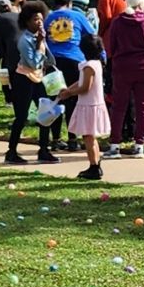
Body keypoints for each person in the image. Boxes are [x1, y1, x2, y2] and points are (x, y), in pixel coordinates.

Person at [105, 0, 144, 159]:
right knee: (143, 106)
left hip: (122, 67)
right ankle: (139, 145)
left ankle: (115, 145)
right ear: (141, 3)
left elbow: (111, 46)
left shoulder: (118, 22)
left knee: (119, 106)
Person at [5, 0, 57, 166]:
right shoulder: (24, 40)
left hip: (39, 78)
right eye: (35, 19)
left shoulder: (39, 36)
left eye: (41, 19)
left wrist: (43, 42)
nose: (39, 22)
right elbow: (33, 63)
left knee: (46, 113)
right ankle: (11, 152)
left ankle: (43, 149)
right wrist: (40, 43)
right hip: (24, 79)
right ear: (27, 21)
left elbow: (47, 59)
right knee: (21, 116)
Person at [44, 0, 98, 151]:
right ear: (70, 4)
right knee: (73, 99)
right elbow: (92, 35)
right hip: (75, 61)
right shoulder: (77, 16)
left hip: (53, 62)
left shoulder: (48, 19)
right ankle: (73, 138)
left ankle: (55, 139)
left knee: (55, 99)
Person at [53, 30, 109, 180]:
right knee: (91, 137)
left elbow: (85, 87)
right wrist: (68, 89)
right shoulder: (95, 64)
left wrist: (70, 93)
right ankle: (96, 164)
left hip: (89, 105)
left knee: (88, 137)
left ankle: (93, 166)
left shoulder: (88, 66)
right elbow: (81, 82)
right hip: (93, 104)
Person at [0, 0, 21, 104]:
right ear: (9, 7)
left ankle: (9, 99)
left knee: (5, 76)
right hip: (24, 49)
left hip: (9, 51)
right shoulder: (19, 17)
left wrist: (1, 56)